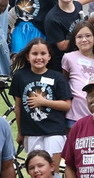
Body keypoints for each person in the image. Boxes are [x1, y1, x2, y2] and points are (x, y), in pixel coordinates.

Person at [10, 38, 71, 168]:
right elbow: (18, 107)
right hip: (31, 132)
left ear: (49, 56)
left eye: (43, 54)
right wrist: (20, 132)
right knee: (36, 171)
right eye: (34, 54)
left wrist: (44, 102)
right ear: (27, 56)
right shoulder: (20, 76)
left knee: (51, 171)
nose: (39, 57)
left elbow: (67, 104)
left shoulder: (57, 77)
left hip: (54, 131)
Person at [62, 20, 94, 128]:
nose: (84, 40)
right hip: (74, 116)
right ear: (75, 41)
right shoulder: (68, 58)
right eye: (79, 37)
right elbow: (64, 83)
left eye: (88, 36)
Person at [43, 0, 84, 72]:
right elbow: (62, 46)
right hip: (61, 64)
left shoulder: (78, 6)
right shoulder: (52, 18)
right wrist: (81, 33)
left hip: (80, 57)